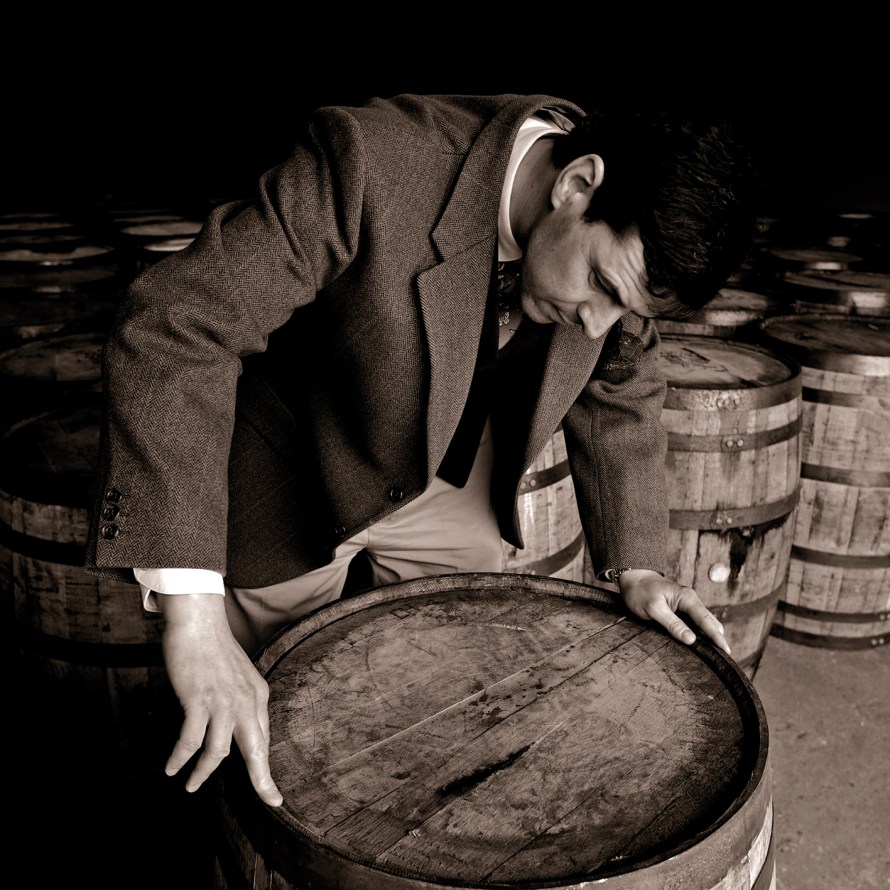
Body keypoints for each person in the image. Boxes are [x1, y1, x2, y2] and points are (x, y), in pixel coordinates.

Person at [84, 92, 759, 808]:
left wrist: (640, 564)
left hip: (453, 469)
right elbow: (176, 322)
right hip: (298, 463)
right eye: (600, 285)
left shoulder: (616, 279)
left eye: (625, 309)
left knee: (455, 691)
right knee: (257, 716)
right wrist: (193, 618)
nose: (598, 325)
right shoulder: (371, 163)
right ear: (577, 184)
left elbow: (621, 384)